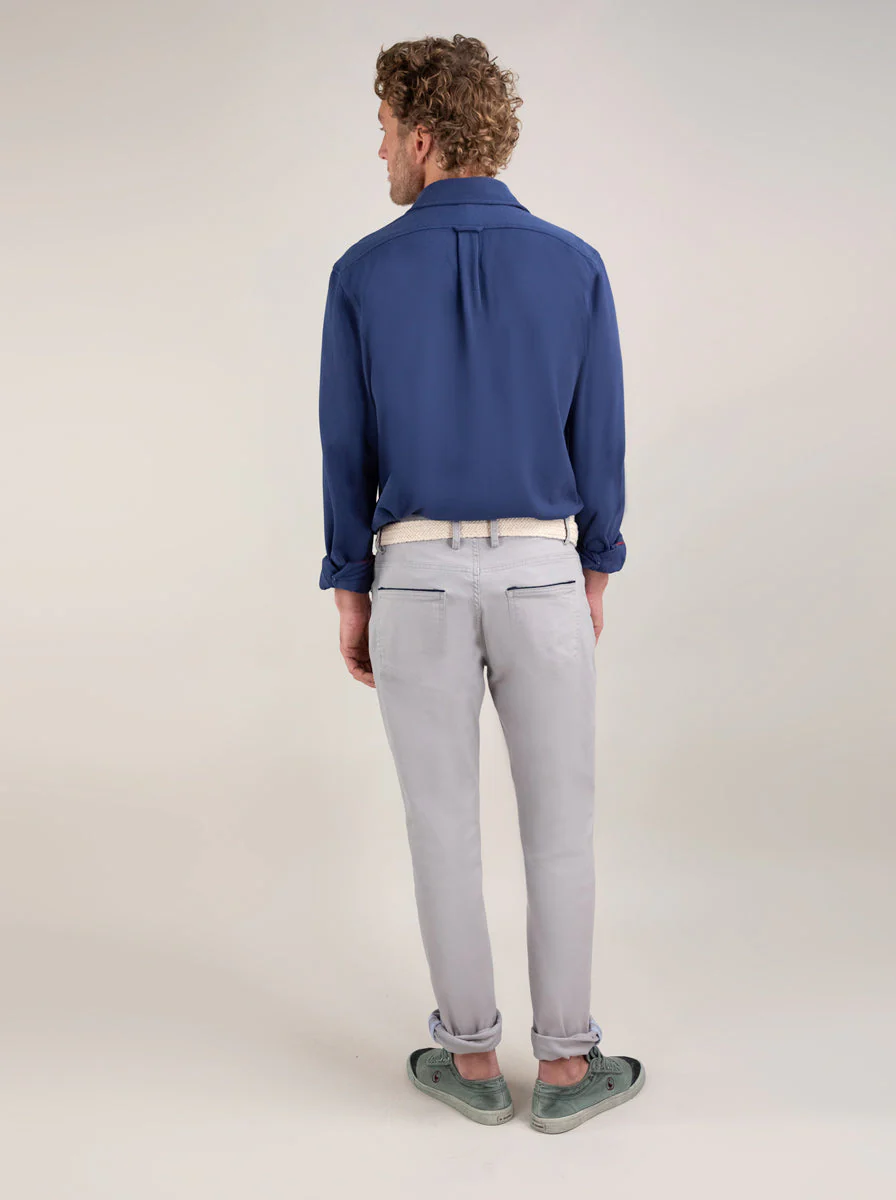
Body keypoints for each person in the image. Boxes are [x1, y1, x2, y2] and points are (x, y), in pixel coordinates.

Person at [316, 34, 644, 1133]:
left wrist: (350, 587)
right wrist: (595, 565)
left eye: (382, 131)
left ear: (422, 136)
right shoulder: (574, 263)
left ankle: (468, 1061)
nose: (377, 152)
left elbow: (345, 446)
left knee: (440, 825)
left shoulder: (363, 272)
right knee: (561, 825)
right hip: (544, 568)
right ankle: (566, 1069)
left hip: (410, 577)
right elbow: (599, 437)